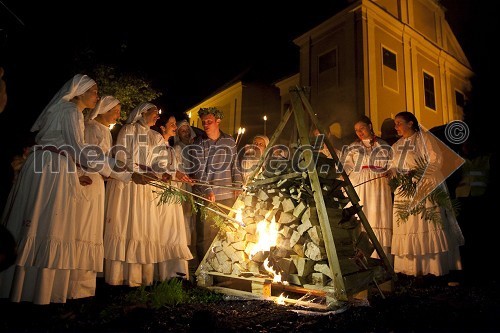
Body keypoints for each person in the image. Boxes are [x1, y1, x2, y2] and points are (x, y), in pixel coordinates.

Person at [0, 74, 139, 304]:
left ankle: (25, 287)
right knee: (49, 225)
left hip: (47, 166)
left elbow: (74, 148)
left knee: (39, 222)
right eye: (94, 91)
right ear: (80, 91)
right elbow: (80, 149)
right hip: (51, 170)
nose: (97, 96)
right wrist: (124, 171)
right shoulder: (71, 111)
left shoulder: (66, 111)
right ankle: (38, 292)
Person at [103, 102, 185, 286]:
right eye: (154, 112)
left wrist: (165, 173)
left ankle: (143, 278)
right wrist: (135, 173)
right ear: (142, 113)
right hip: (130, 184)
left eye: (157, 113)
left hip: (147, 187)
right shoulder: (128, 130)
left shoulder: (155, 136)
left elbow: (159, 162)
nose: (157, 116)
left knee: (144, 228)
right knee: (128, 226)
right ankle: (120, 277)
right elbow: (121, 158)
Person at [389, 111, 464, 277]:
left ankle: (433, 268)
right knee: (409, 225)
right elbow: (393, 165)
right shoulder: (396, 146)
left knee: (426, 223)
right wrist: (391, 172)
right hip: (405, 189)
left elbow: (436, 160)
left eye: (399, 123)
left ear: (410, 123)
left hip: (425, 184)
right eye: (395, 124)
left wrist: (417, 173)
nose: (396, 127)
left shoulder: (425, 139)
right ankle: (411, 268)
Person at [185, 107, 243, 266]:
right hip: (207, 197)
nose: (206, 124)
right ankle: (204, 270)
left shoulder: (229, 141)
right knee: (205, 235)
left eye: (209, 121)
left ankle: (221, 270)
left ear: (218, 121)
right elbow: (199, 170)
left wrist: (238, 185)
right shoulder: (198, 143)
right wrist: (208, 190)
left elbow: (235, 166)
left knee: (224, 234)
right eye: (203, 122)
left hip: (227, 197)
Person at [343, 115, 393, 261]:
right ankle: (361, 256)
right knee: (363, 214)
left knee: (378, 215)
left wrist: (389, 172)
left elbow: (392, 164)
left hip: (379, 185)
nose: (359, 132)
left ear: (370, 126)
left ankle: (381, 258)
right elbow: (347, 165)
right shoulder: (353, 147)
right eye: (356, 130)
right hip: (362, 184)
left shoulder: (384, 145)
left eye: (362, 128)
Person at [151, 113, 193, 280]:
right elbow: (156, 166)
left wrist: (181, 176)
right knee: (165, 230)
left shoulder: (168, 146)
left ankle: (175, 272)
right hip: (162, 194)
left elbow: (172, 169)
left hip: (173, 193)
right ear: (162, 127)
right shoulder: (157, 143)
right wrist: (173, 173)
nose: (175, 127)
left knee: (175, 230)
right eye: (172, 124)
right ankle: (162, 272)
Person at [172, 119, 197, 277]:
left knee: (192, 223)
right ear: (178, 134)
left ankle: (192, 260)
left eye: (188, 130)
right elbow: (178, 169)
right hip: (183, 188)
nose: (186, 133)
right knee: (184, 222)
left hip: (194, 187)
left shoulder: (194, 148)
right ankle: (183, 260)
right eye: (182, 131)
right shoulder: (177, 149)